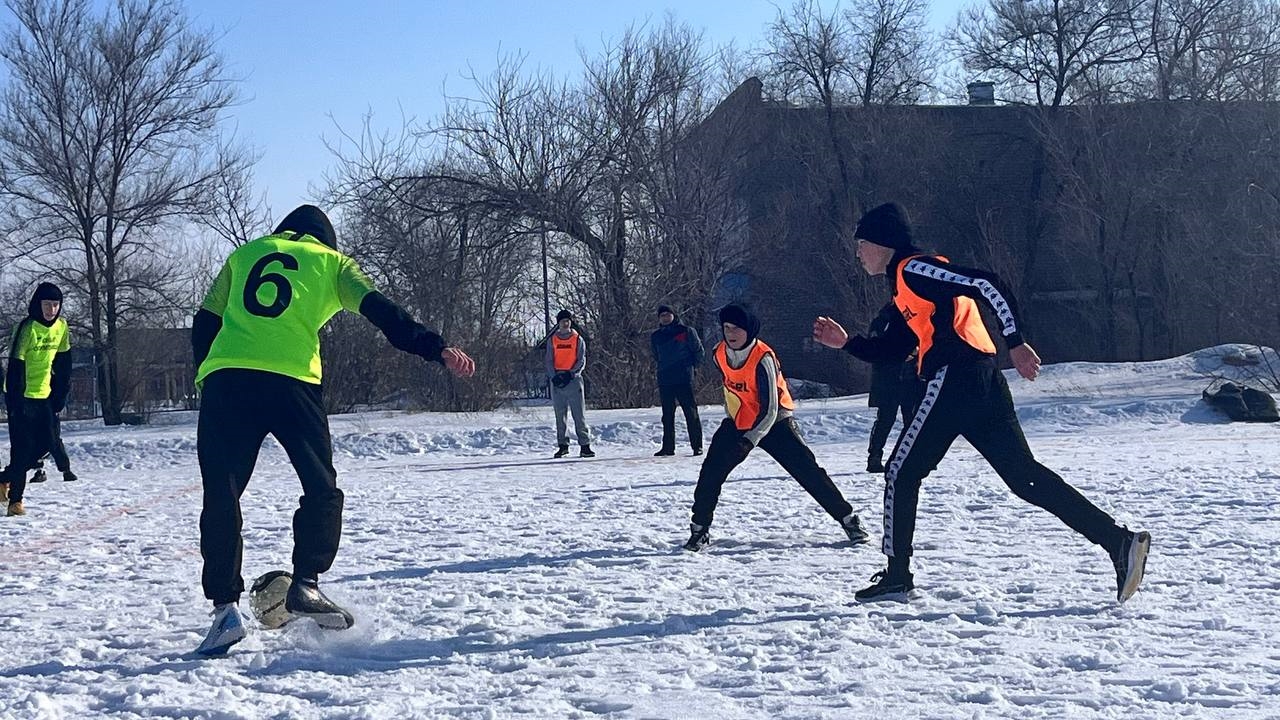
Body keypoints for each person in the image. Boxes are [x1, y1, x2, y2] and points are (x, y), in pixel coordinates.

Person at [812, 201, 1150, 603]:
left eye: (862, 243)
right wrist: (848, 342)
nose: (858, 253)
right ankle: (1119, 541)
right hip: (981, 383)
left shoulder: (914, 269)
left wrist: (1016, 342)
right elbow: (893, 347)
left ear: (883, 242)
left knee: (900, 471)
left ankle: (897, 575)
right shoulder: (904, 288)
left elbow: (987, 284)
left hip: (955, 380)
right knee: (1024, 477)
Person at [190, 205, 475, 656]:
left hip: (228, 381)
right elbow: (385, 314)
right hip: (292, 381)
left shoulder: (245, 253)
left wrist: (207, 371)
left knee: (221, 496)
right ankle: (305, 582)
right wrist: (435, 348)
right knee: (321, 488)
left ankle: (225, 609)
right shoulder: (333, 262)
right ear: (325, 239)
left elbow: (205, 319)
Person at [683, 303, 870, 552]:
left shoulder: (763, 358)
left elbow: (770, 408)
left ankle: (848, 519)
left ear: (748, 330)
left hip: (775, 421)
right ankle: (699, 530)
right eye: (726, 327)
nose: (730, 333)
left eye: (736, 328)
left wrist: (748, 441)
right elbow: (730, 390)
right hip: (741, 420)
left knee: (808, 471)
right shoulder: (719, 353)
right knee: (711, 472)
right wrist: (733, 422)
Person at [1, 283, 72, 517]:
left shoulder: (62, 327)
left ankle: (3, 479)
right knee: (21, 451)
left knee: (46, 445)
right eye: (46, 305)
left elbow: (64, 365)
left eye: (55, 305)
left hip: (45, 397)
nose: (51, 310)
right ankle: (15, 502)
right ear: (37, 305)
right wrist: (15, 401)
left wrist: (59, 395)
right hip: (21, 396)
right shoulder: (27, 328)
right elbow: (15, 365)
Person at [865, 302, 918, 473]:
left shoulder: (912, 318)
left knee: (912, 419)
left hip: (908, 377)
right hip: (888, 378)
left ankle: (914, 456)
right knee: (887, 419)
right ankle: (875, 457)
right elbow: (875, 347)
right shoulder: (884, 320)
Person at [650, 304, 704, 456]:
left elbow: (698, 351)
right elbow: (656, 355)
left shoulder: (686, 331)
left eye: (668, 315)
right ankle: (668, 447)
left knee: (691, 412)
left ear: (674, 315)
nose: (665, 318)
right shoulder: (656, 336)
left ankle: (697, 445)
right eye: (662, 316)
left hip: (684, 378)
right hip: (665, 379)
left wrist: (693, 368)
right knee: (667, 415)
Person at [546, 309, 593, 458]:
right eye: (562, 321)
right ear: (558, 323)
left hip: (573, 379)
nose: (565, 324)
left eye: (567, 321)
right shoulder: (553, 339)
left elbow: (581, 359)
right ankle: (563, 445)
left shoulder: (577, 339)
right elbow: (548, 360)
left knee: (579, 414)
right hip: (557, 380)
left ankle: (585, 445)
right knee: (560, 415)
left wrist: (571, 373)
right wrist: (554, 377)